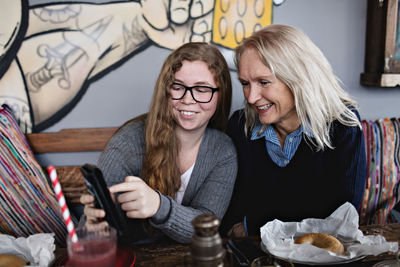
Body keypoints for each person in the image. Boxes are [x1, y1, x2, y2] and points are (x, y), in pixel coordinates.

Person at [80, 42, 238, 244]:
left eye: (202, 89)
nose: (188, 99)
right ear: (166, 91)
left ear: (220, 93)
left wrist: (158, 206)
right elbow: (89, 233)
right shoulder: (129, 141)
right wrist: (93, 226)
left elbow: (206, 228)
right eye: (178, 87)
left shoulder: (223, 150)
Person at [221, 24, 366, 237]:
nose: (251, 98)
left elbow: (341, 220)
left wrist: (253, 223)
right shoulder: (239, 126)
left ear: (298, 78)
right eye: (245, 83)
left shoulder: (343, 126)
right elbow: (230, 214)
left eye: (264, 82)